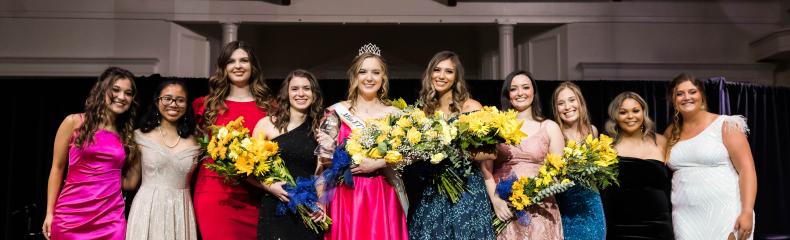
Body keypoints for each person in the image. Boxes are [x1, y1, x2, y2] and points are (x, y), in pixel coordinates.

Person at [315, 44, 408, 240]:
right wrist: (329, 152)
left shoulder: (395, 115)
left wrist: (379, 163)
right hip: (346, 193)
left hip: (383, 193)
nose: (369, 78)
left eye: (376, 72)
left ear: (383, 77)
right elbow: (323, 163)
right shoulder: (336, 112)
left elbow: (408, 155)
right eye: (363, 72)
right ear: (355, 77)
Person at [405, 51, 495, 240]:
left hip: (466, 189)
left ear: (456, 77)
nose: (441, 76)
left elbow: (490, 153)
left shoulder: (471, 107)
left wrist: (451, 150)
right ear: (430, 74)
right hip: (433, 190)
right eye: (437, 70)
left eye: (449, 71)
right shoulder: (423, 112)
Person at [42, 66, 139, 240]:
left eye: (128, 93)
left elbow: (129, 184)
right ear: (102, 91)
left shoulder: (128, 136)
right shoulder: (74, 122)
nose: (122, 97)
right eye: (115, 90)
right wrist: (50, 212)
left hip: (110, 219)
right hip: (71, 215)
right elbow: (57, 169)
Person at [192, 41, 272, 240]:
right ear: (223, 68)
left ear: (253, 66)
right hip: (216, 194)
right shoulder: (206, 105)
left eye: (244, 60)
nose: (238, 66)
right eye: (231, 61)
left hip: (257, 194)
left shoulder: (270, 107)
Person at [665, 73, 756, 240]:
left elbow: (747, 170)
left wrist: (747, 211)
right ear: (673, 99)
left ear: (702, 96)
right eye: (680, 93)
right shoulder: (670, 133)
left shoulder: (726, 124)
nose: (687, 97)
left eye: (692, 92)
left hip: (726, 212)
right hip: (686, 217)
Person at [482, 70, 565, 239]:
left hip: (541, 207)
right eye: (514, 89)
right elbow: (486, 170)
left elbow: (559, 171)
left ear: (533, 92)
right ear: (508, 94)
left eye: (525, 87)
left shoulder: (549, 127)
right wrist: (496, 202)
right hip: (505, 208)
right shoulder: (496, 127)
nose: (520, 93)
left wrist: (535, 192)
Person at [252, 69, 326, 240]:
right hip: (275, 207)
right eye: (295, 89)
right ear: (286, 93)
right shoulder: (267, 124)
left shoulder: (321, 128)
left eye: (306, 88)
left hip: (308, 209)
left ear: (314, 94)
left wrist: (322, 203)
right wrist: (269, 186)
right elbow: (248, 169)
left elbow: (321, 174)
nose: (301, 93)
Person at [125, 79, 201, 240]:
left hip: (181, 210)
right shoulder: (139, 136)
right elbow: (131, 182)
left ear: (187, 105)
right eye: (167, 98)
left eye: (180, 100)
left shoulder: (198, 141)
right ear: (157, 102)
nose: (173, 104)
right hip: (147, 209)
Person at [600, 91, 673, 239]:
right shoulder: (606, 146)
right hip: (620, 226)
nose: (630, 116)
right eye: (623, 112)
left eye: (635, 111)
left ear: (644, 112)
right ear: (615, 116)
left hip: (658, 225)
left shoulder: (660, 141)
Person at [551, 81, 606, 240]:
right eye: (561, 103)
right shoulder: (555, 133)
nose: (567, 107)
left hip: (592, 206)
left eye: (572, 100)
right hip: (567, 209)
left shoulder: (592, 131)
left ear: (580, 103)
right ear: (556, 109)